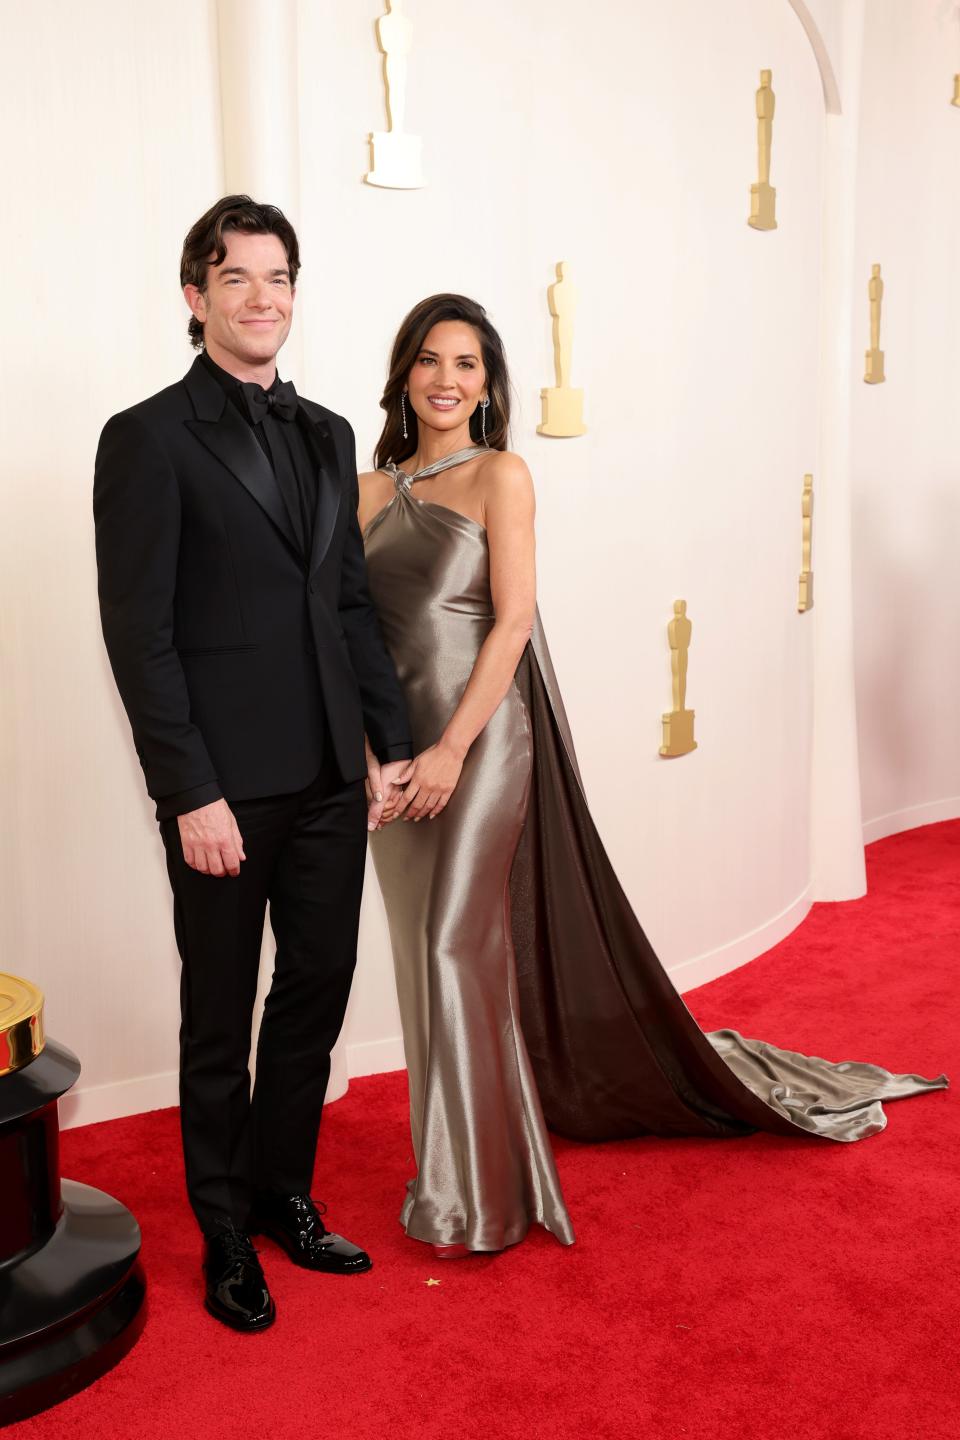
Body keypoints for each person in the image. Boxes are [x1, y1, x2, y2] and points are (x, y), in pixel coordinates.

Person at [358, 293, 947, 1258]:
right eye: (429, 360)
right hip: (394, 758)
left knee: (453, 952)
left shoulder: (503, 476)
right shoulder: (369, 492)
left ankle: (479, 1200)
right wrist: (374, 757)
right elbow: (352, 638)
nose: (446, 380)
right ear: (403, 373)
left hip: (480, 742)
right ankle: (455, 1164)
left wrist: (454, 748)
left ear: (489, 384)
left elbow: (510, 624)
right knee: (419, 956)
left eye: (467, 364)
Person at [94, 195, 412, 1330]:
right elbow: (141, 635)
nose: (264, 297)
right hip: (224, 792)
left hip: (331, 775)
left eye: (280, 277)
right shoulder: (146, 438)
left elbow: (347, 604)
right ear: (197, 296)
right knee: (219, 1016)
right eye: (238, 278)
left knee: (314, 997)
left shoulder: (329, 433)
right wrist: (189, 792)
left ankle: (285, 1195)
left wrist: (389, 743)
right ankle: (225, 1233)